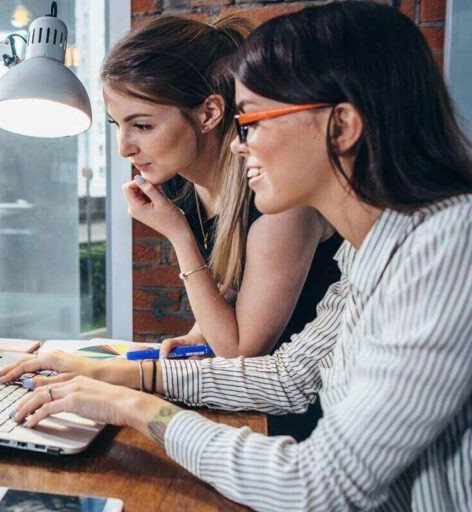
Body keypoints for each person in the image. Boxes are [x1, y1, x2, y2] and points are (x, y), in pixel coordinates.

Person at [0, 3, 472, 509]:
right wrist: (121, 375)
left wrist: (138, 408)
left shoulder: (447, 250)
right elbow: (288, 378)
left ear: (341, 127)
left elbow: (316, 485)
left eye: (254, 122)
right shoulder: (370, 255)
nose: (240, 146)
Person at [102, 13, 341, 440]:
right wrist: (197, 337)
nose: (124, 147)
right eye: (117, 125)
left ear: (210, 112)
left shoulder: (279, 199)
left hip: (299, 421)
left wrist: (178, 235)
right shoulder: (181, 183)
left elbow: (239, 350)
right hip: (247, 400)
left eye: (142, 125)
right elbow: (231, 296)